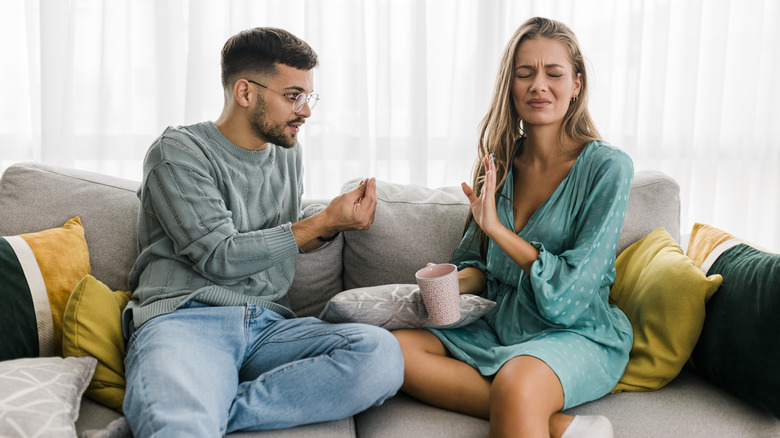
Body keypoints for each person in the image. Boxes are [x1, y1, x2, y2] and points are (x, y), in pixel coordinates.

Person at [121, 27, 404, 437]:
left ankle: (216, 409)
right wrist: (319, 222)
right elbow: (220, 255)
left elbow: (275, 239)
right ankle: (189, 410)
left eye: (309, 97)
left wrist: (332, 226)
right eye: (293, 96)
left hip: (269, 326)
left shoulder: (289, 155)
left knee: (380, 356)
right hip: (187, 319)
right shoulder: (177, 152)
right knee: (180, 427)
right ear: (245, 92)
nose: (305, 111)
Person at [393, 17, 633, 438]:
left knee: (516, 383)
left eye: (554, 73)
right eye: (525, 74)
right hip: (501, 324)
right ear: (511, 85)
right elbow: (478, 266)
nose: (539, 85)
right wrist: (448, 282)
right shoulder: (498, 165)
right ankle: (562, 427)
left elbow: (571, 295)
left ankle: (522, 404)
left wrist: (501, 232)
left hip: (575, 331)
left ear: (576, 83)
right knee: (396, 348)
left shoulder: (608, 168)